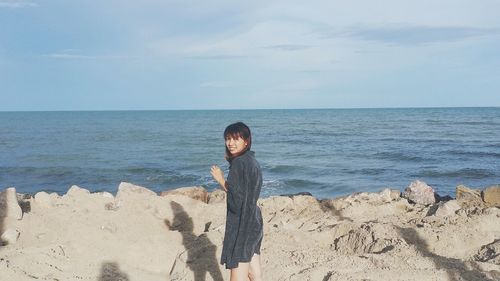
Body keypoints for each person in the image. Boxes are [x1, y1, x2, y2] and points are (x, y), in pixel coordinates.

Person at [210, 122, 264, 281]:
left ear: (246, 141)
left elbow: (236, 202)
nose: (230, 143)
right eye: (227, 139)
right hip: (255, 220)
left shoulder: (238, 163)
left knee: (238, 276)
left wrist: (220, 180)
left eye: (235, 139)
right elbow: (244, 194)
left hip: (243, 225)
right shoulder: (252, 160)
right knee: (255, 274)